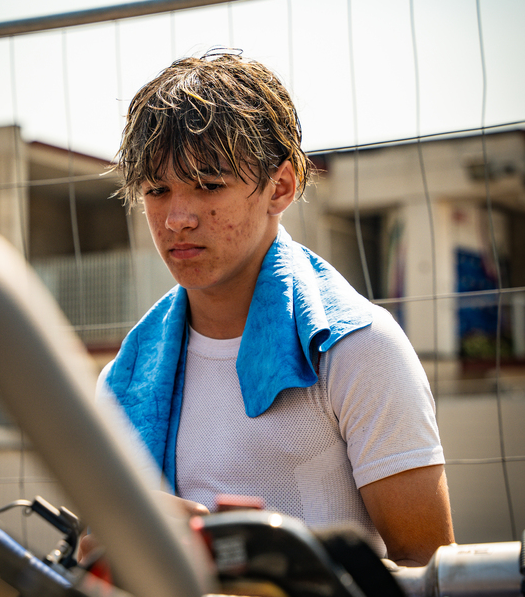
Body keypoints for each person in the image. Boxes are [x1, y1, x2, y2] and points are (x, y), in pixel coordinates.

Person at [94, 51, 454, 567]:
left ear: (279, 187)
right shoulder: (125, 378)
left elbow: (429, 568)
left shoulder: (355, 348)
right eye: (157, 190)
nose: (176, 218)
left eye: (209, 185)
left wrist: (252, 564)